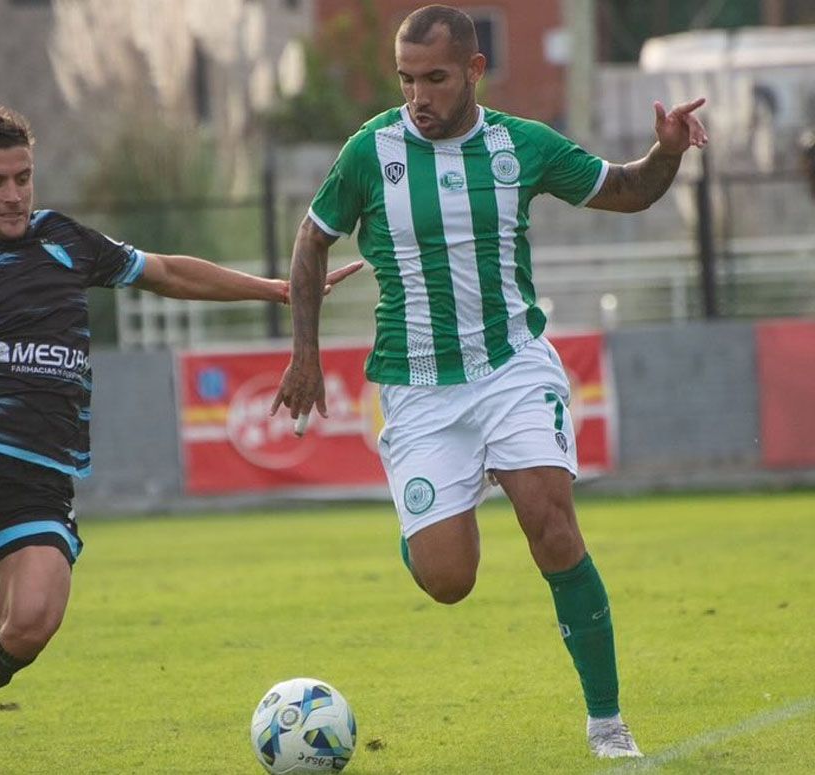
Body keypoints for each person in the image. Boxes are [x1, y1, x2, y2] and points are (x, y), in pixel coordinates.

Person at [0, 105, 361, 760]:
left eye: (23, 177)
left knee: (30, 626)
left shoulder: (63, 239)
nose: (14, 193)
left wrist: (277, 289)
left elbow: (167, 271)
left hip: (40, 476)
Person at [271, 5, 707, 760]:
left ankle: (607, 723)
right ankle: (426, 519)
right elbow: (311, 241)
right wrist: (304, 354)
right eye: (407, 80)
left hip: (512, 367)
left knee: (553, 524)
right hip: (418, 387)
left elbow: (629, 189)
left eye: (435, 79)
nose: (419, 96)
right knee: (448, 579)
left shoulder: (521, 145)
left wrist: (666, 150)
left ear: (474, 70)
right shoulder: (371, 152)